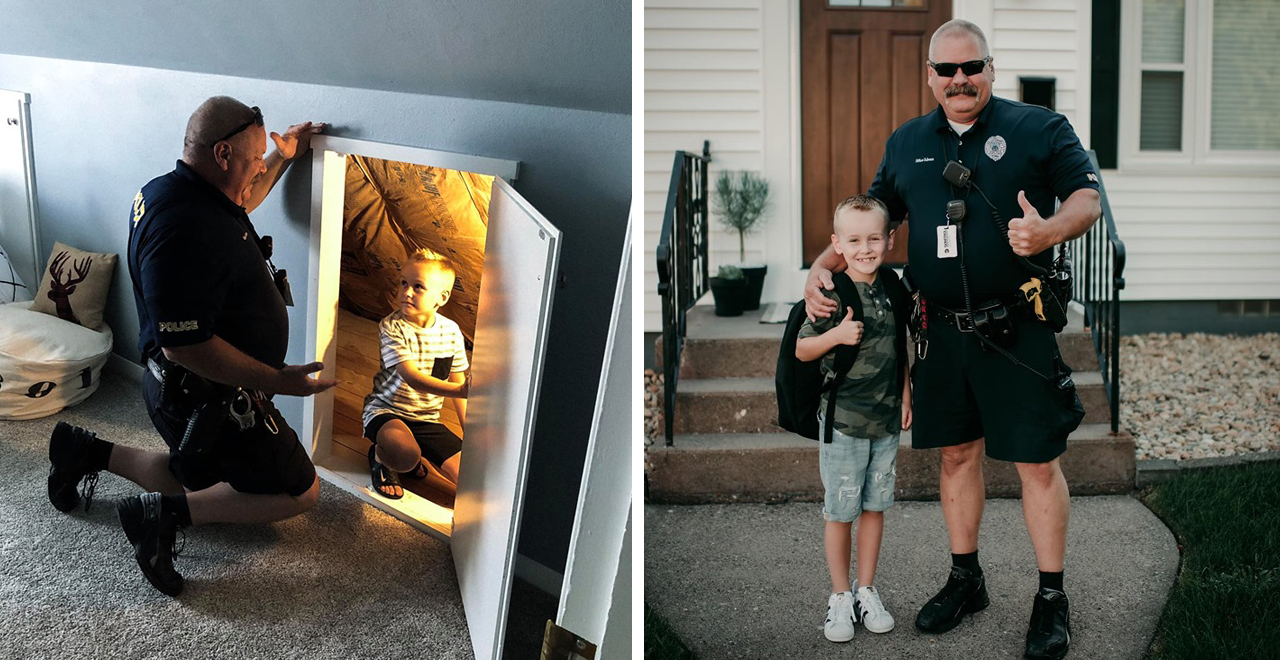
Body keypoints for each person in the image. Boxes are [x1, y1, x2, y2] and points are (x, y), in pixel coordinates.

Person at [804, 20, 1100, 660]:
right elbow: (870, 219)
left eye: (972, 67)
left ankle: (1051, 597)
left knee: (1035, 463)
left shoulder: (1039, 128)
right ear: (930, 76)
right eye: (947, 70)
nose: (959, 80)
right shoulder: (908, 142)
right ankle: (967, 578)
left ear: (991, 69)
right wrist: (819, 269)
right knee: (956, 457)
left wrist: (1048, 231)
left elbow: (1088, 198)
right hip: (939, 331)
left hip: (1017, 327)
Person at [46, 96, 335, 597]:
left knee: (193, 475)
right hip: (201, 394)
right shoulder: (184, 229)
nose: (253, 173)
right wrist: (278, 380)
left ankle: (84, 450)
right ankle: (162, 520)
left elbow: (241, 197)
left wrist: (283, 156)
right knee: (299, 489)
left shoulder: (177, 190)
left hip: (185, 390)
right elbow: (185, 346)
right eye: (250, 160)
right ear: (222, 155)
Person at [797, 195, 912, 643]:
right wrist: (838, 335)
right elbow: (802, 348)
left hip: (884, 423)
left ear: (889, 239)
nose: (865, 248)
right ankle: (841, 596)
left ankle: (867, 589)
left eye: (874, 238)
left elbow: (901, 347)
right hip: (843, 423)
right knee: (840, 511)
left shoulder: (893, 287)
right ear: (837, 244)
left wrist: (906, 396)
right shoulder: (830, 293)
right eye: (854, 240)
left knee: (874, 507)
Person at [362, 249, 469, 500]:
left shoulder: (452, 331)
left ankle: (411, 452)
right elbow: (411, 376)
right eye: (403, 283)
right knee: (406, 457)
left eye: (418, 287)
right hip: (386, 411)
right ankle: (380, 455)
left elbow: (459, 384)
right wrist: (461, 390)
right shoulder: (392, 326)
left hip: (427, 419)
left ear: (441, 297)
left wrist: (470, 433)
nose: (406, 292)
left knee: (472, 478)